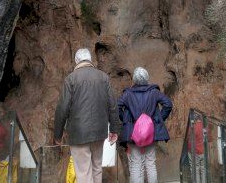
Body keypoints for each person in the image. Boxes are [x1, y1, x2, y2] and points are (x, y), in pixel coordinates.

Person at [54, 48, 121, 183]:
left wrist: (58, 134)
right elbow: (112, 106)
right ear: (90, 60)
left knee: (84, 172)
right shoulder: (103, 77)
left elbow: (62, 109)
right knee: (97, 168)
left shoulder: (70, 79)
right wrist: (114, 130)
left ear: (76, 61)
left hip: (78, 133)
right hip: (99, 132)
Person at [118, 67, 173, 183]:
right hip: (151, 133)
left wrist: (125, 120)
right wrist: (158, 120)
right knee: (150, 163)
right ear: (147, 78)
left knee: (136, 165)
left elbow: (116, 106)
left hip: (133, 133)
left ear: (134, 79)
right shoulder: (154, 92)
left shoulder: (128, 94)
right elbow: (168, 104)